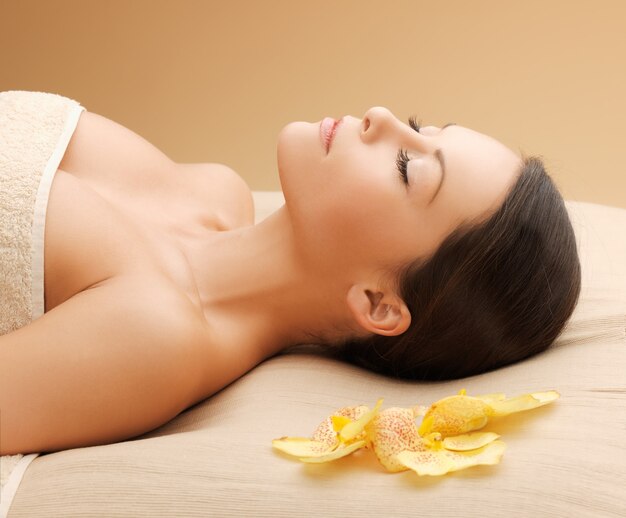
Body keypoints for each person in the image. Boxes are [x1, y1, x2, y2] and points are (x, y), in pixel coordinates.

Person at [0, 92, 581, 456]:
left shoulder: (156, 337)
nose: (379, 117)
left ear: (379, 303)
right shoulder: (211, 190)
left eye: (407, 168)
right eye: (416, 125)